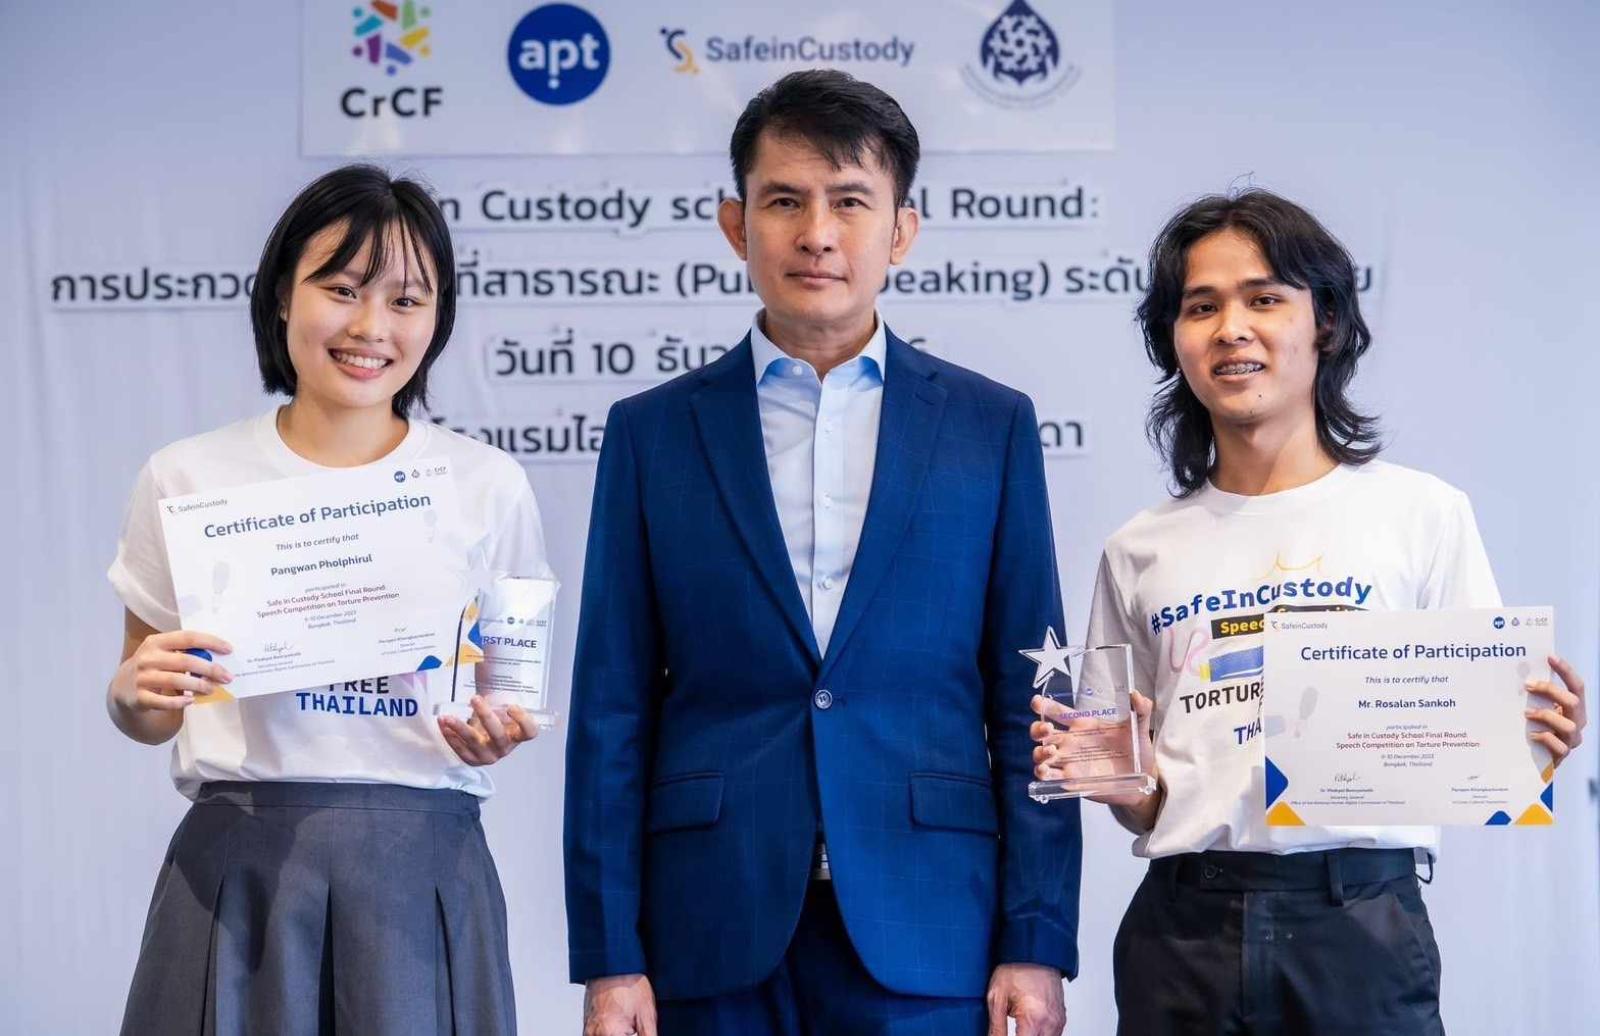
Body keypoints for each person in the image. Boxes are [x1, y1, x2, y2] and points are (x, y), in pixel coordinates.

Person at [565, 70, 1079, 1036]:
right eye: (784, 202)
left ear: (902, 230)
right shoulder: (653, 434)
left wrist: (1037, 937)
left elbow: (1035, 702)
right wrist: (609, 955)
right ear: (735, 225)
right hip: (708, 927)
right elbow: (611, 709)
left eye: (850, 202)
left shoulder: (989, 427)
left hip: (933, 927)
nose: (817, 234)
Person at [1031, 189, 1588, 1035]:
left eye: (1264, 299)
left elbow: (1485, 735)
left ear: (1323, 322)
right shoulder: (1139, 548)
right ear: (1174, 339)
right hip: (1182, 931)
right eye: (1201, 307)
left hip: (1358, 925)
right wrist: (1120, 781)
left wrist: (1531, 739)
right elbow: (1141, 794)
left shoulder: (1421, 514)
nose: (1232, 329)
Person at [107, 164, 548, 1034]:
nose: (370, 327)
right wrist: (132, 694)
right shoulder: (187, 476)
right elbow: (145, 707)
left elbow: (508, 697)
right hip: (240, 871)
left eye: (405, 300)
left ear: (437, 318)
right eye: (341, 289)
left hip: (424, 869)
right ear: (283, 294)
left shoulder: (487, 485)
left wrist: (498, 730)